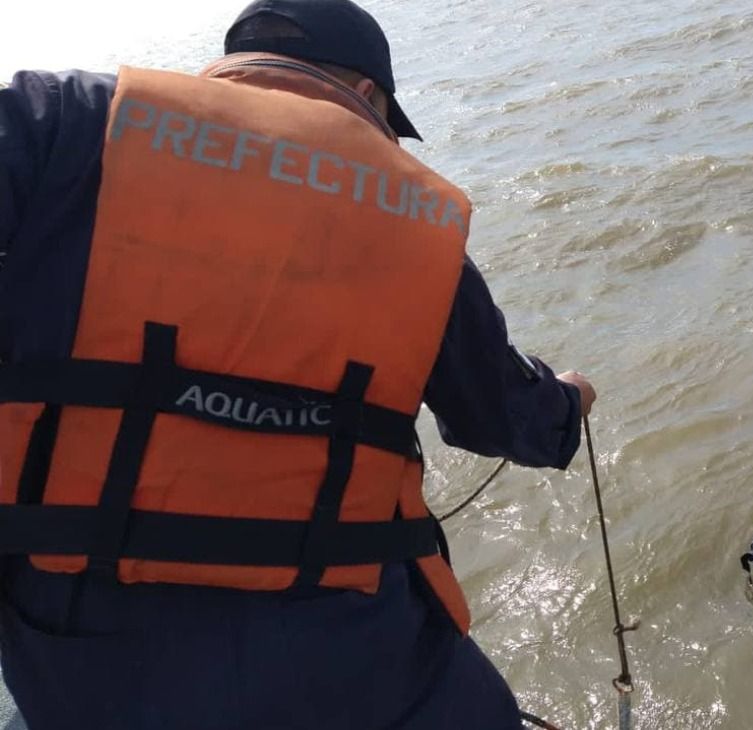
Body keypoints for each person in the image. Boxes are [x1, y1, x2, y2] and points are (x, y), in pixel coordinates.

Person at [0, 0, 596, 727]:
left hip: (71, 654)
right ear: (369, 96)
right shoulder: (412, 208)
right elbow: (502, 417)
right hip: (351, 652)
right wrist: (568, 400)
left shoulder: (60, 120)